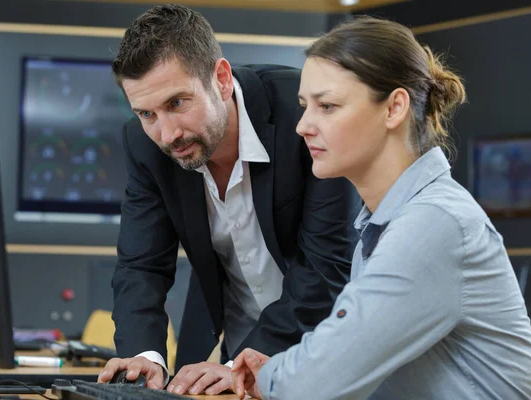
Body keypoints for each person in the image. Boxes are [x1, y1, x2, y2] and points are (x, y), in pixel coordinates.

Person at [231, 16, 531, 400]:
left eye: (327, 106)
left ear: (395, 108)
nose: (303, 126)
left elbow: (310, 385)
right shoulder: (386, 226)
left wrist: (272, 374)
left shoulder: (433, 224)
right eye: (303, 106)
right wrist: (288, 368)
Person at [97, 4, 359, 396]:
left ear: (220, 78)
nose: (167, 134)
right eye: (147, 113)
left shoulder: (305, 116)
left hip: (329, 354)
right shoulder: (144, 145)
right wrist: (144, 358)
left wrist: (250, 359)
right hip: (234, 362)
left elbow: (326, 267)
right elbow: (141, 265)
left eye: (177, 103)